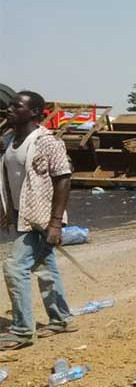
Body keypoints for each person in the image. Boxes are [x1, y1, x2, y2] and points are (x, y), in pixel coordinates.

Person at [0, 91, 77, 350]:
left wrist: (56, 223)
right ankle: (62, 319)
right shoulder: (10, 139)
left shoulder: (48, 142)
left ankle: (22, 331)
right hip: (22, 215)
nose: (9, 109)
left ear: (34, 112)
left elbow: (63, 179)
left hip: (42, 217)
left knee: (14, 266)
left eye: (16, 106)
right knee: (45, 267)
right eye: (9, 105)